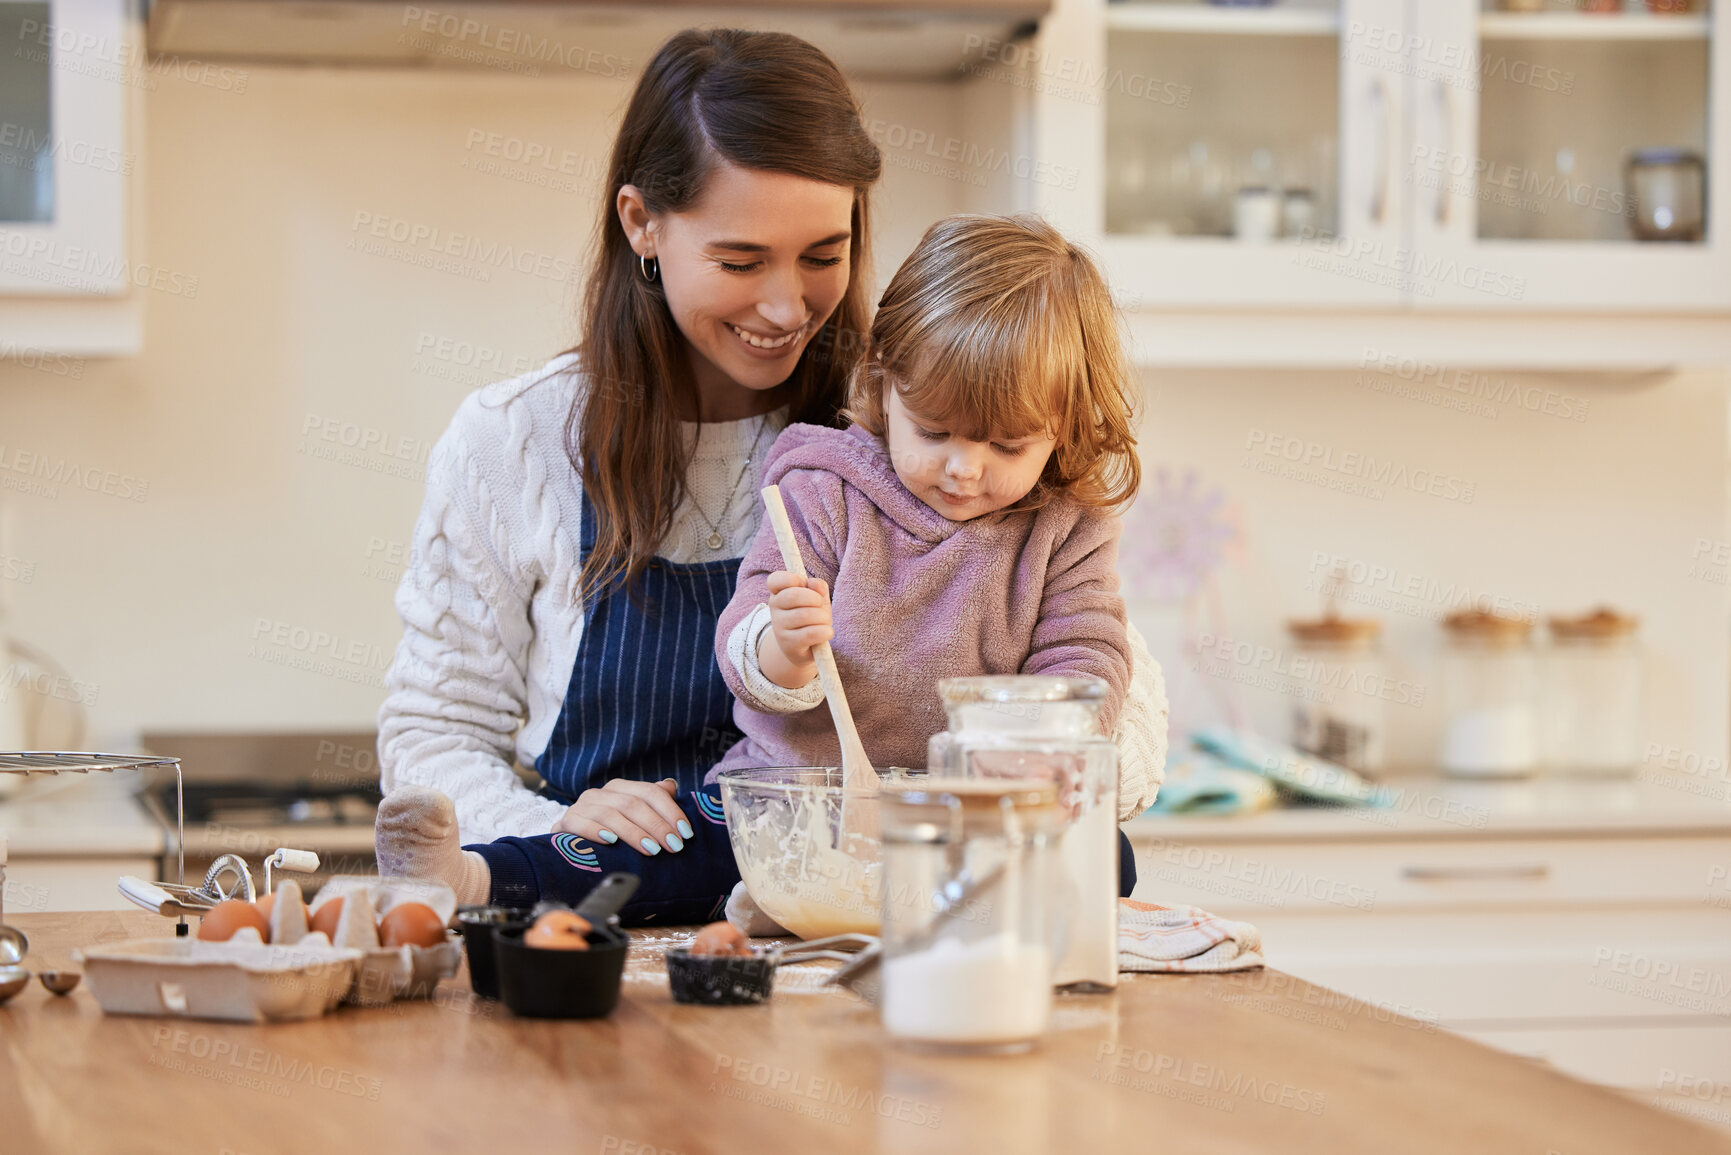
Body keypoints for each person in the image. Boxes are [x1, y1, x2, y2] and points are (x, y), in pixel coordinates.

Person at [373, 30, 1169, 924]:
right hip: (606, 919)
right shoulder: (512, 442)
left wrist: (1011, 783)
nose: (788, 308)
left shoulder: (914, 415)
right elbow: (433, 735)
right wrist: (557, 831)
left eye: (823, 256)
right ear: (642, 223)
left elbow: (1119, 708)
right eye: (740, 262)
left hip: (872, 936)